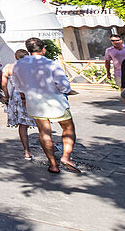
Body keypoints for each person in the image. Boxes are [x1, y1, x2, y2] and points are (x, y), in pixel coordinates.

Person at [11, 37, 79, 174]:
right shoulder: (51, 64)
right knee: (68, 128)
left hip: (34, 103)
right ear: (43, 49)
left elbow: (18, 85)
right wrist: (66, 91)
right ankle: (66, 157)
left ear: (29, 50)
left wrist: (25, 98)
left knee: (44, 132)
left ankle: (53, 164)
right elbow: (63, 85)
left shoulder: (19, 65)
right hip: (56, 101)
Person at [1, 49, 35, 160]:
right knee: (41, 122)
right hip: (29, 96)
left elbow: (4, 85)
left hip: (15, 97)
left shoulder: (7, 68)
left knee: (22, 125)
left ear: (15, 57)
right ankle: (49, 145)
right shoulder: (30, 68)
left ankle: (26, 151)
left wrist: (6, 96)